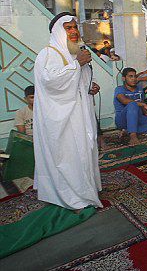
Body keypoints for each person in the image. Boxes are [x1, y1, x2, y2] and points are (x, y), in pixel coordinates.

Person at [33, 13, 102, 209]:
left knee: (85, 149)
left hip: (81, 113)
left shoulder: (76, 53)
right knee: (69, 154)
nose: (73, 31)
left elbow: (82, 81)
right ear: (58, 32)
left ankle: (86, 188)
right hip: (64, 118)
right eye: (68, 28)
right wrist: (77, 64)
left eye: (75, 27)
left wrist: (91, 86)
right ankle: (70, 193)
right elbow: (50, 82)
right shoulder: (47, 54)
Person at [114, 68, 147, 145]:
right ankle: (133, 136)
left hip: (137, 118)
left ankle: (127, 131)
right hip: (122, 120)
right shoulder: (119, 89)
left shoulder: (139, 89)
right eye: (130, 76)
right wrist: (142, 104)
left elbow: (143, 106)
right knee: (133, 104)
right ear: (124, 78)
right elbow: (123, 100)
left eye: (135, 76)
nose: (134, 79)